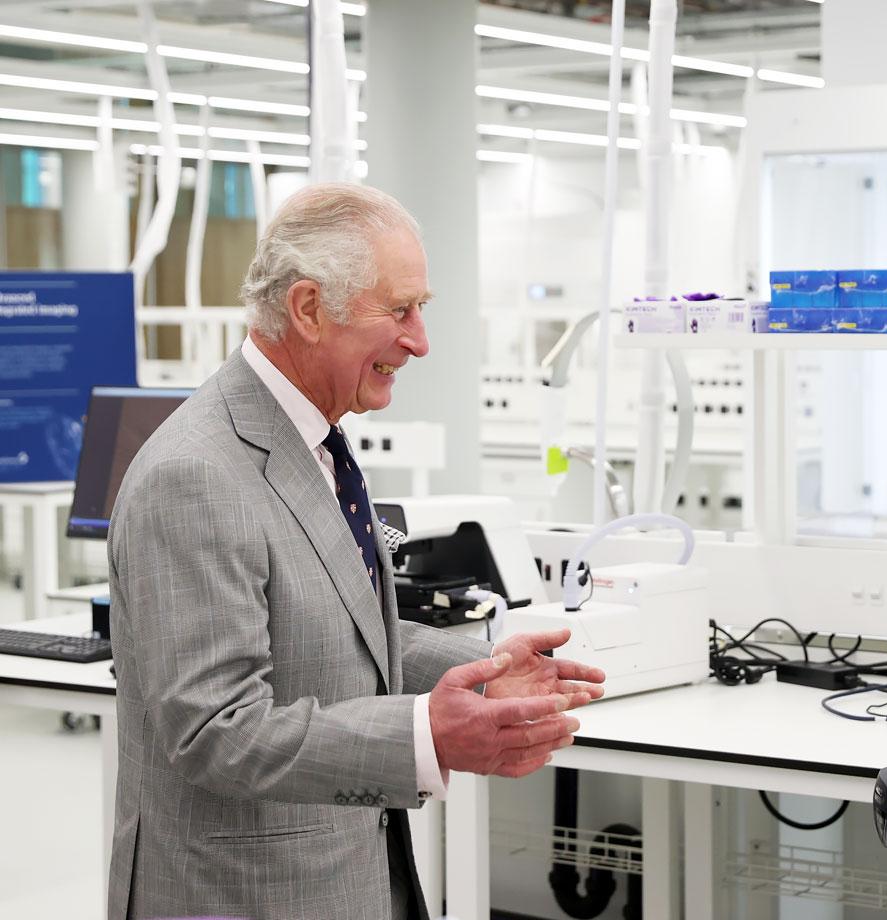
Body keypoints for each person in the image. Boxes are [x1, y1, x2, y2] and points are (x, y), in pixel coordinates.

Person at [106, 183, 606, 920]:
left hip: (348, 875)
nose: (420, 340)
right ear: (308, 309)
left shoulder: (314, 441)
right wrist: (422, 733)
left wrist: (481, 672)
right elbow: (215, 731)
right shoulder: (198, 475)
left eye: (421, 309)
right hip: (244, 895)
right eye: (398, 310)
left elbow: (333, 627)